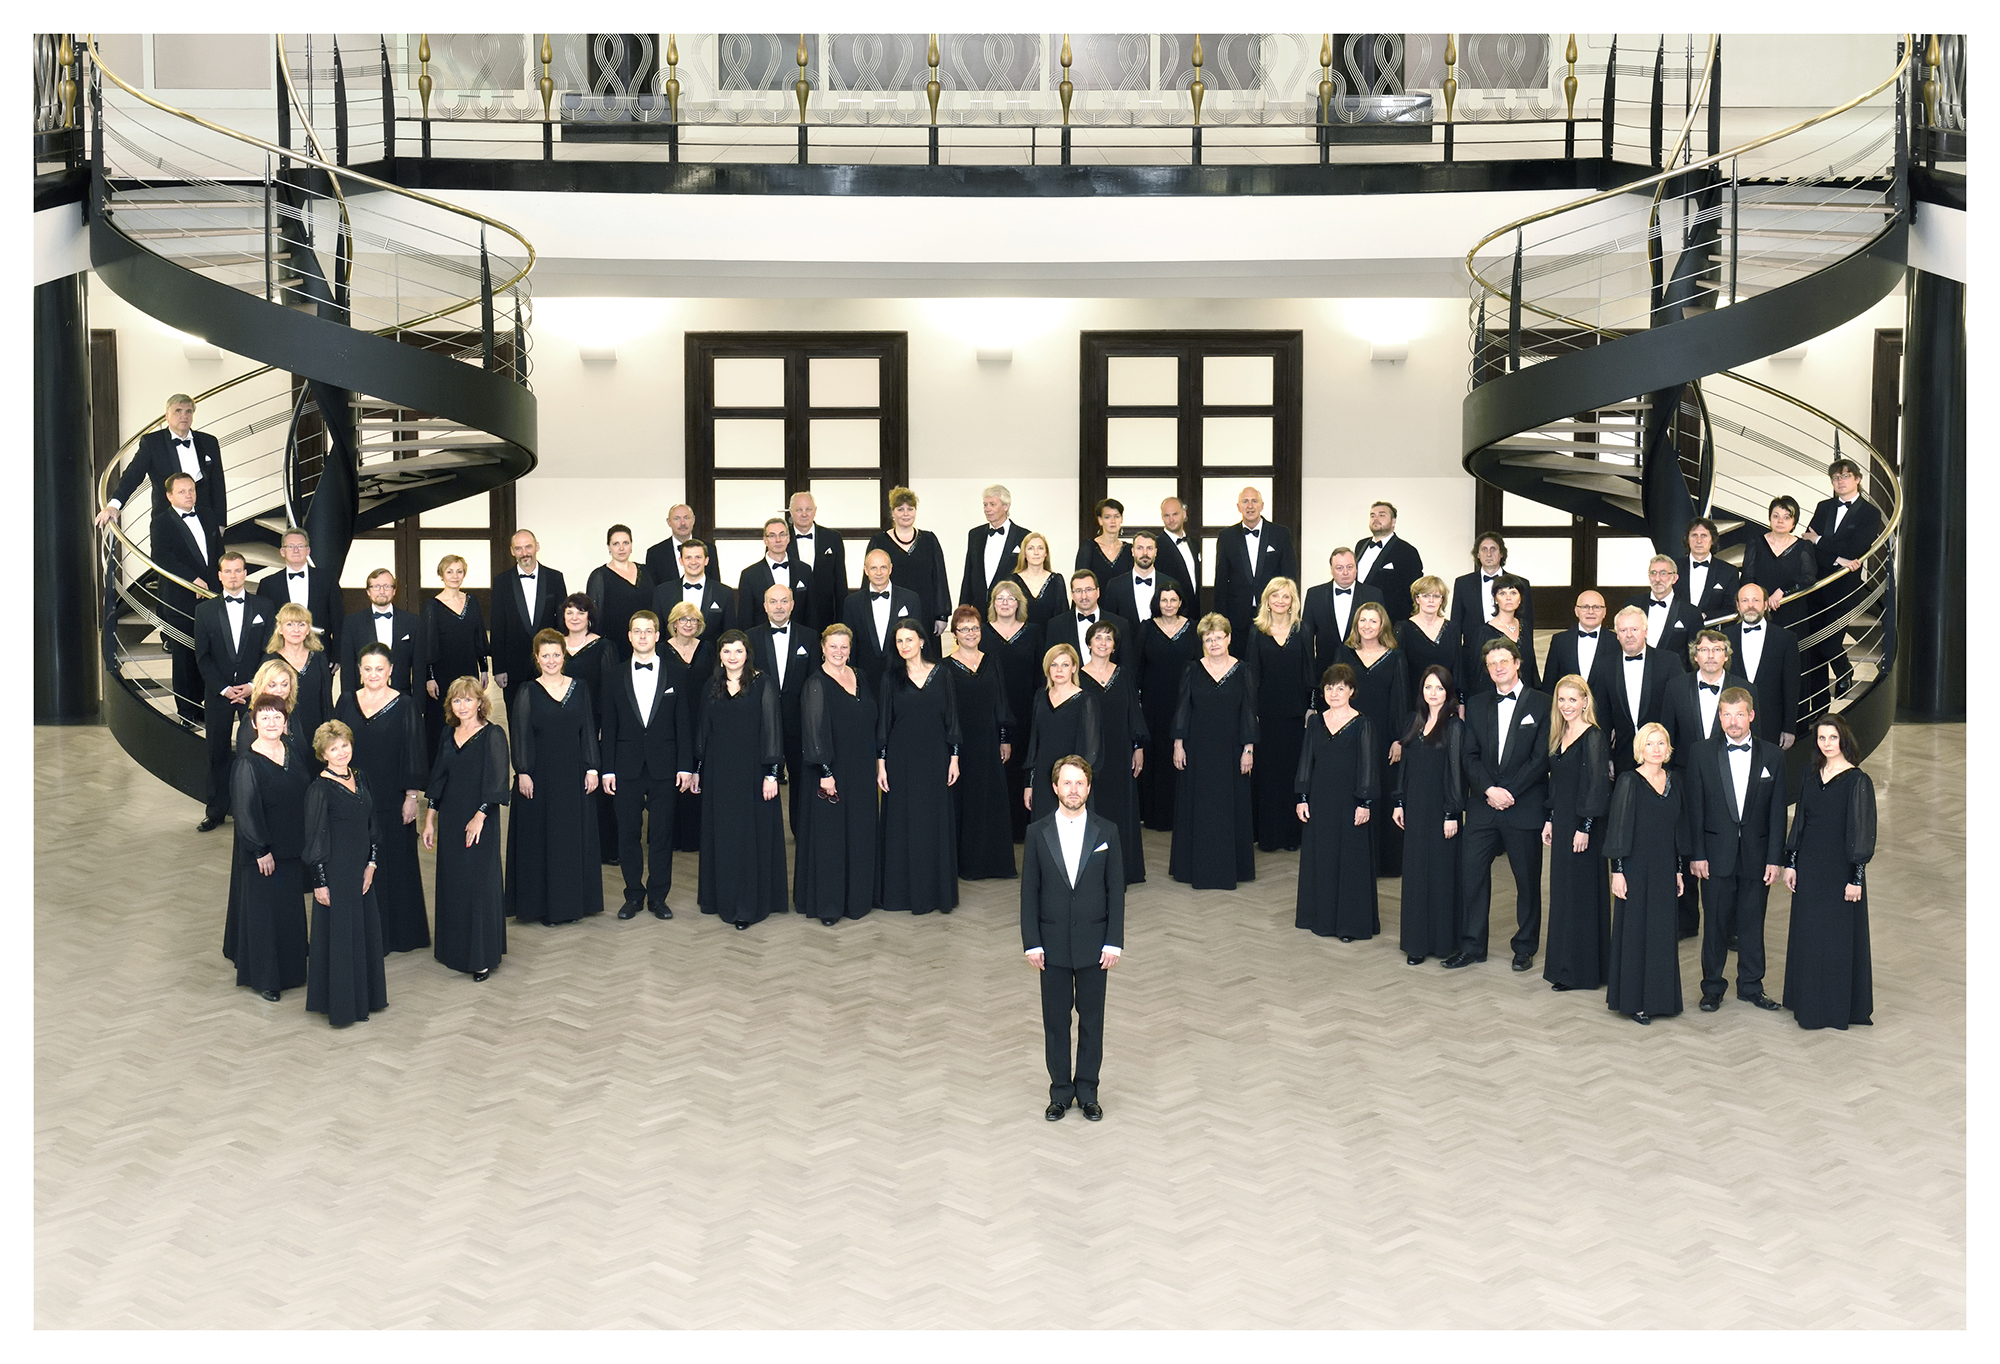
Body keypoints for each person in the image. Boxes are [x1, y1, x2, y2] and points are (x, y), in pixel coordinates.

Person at [1022, 756, 1125, 1123]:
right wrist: (1032, 942)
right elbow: (1029, 892)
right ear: (1055, 788)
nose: (1073, 790)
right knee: (1055, 1022)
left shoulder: (1107, 831)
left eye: (1079, 783)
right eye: (1067, 783)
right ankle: (1060, 1094)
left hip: (1096, 945)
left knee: (1092, 1021)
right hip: (1050, 945)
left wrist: (1113, 942)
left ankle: (1089, 1092)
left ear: (1088, 787)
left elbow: (1116, 890)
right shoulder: (1037, 833)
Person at [1444, 638, 1554, 972]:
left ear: (1518, 662)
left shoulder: (1542, 703)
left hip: (1524, 807)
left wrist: (1509, 791)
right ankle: (1472, 945)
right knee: (1472, 876)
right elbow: (1469, 755)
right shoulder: (1477, 704)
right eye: (1492, 664)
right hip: (1483, 805)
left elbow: (1541, 758)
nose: (1498, 668)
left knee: (1527, 882)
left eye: (1504, 661)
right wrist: (1490, 789)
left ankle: (1525, 946)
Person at [1686, 689, 1789, 1013]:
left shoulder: (1773, 756)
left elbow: (1778, 813)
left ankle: (1751, 986)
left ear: (1751, 716)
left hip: (1758, 856)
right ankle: (1712, 987)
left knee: (1753, 924)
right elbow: (1695, 809)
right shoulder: (1701, 753)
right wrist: (1697, 854)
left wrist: (1775, 858)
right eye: (1727, 715)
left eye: (1739, 714)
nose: (1733, 722)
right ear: (1720, 717)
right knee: (1714, 925)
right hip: (1715, 854)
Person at [332, 643, 429, 954]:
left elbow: (414, 752)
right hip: (352, 797)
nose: (373, 674)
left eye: (379, 669)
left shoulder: (406, 705)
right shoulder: (346, 702)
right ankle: (362, 933)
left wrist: (411, 796)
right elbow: (333, 747)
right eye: (367, 669)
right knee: (356, 861)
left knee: (395, 863)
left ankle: (397, 935)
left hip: (392, 798)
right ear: (359, 671)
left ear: (391, 671)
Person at [1782, 715, 1877, 1030]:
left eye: (1832, 737)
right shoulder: (1810, 774)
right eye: (1821, 738)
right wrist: (1791, 862)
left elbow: (1862, 831)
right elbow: (1800, 820)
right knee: (1809, 933)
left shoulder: (1857, 780)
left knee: (1836, 937)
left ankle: (1834, 1009)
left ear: (1843, 739)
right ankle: (1807, 1002)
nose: (1827, 744)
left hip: (1840, 869)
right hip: (1809, 866)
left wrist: (1856, 877)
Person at [601, 610, 696, 920]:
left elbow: (684, 722)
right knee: (627, 834)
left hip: (665, 767)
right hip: (625, 766)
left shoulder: (677, 673)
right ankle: (633, 895)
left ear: (657, 636)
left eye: (648, 631)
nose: (642, 636)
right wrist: (607, 769)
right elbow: (609, 726)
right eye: (637, 631)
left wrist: (685, 766)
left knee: (662, 835)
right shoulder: (613, 675)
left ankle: (658, 897)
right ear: (629, 637)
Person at [507, 629, 604, 926]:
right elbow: (520, 734)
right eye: (545, 655)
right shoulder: (527, 691)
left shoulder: (580, 687)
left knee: (570, 839)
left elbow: (587, 728)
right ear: (537, 658)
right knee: (542, 840)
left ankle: (571, 904)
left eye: (556, 655)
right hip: (539, 776)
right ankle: (543, 907)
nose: (551, 660)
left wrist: (592, 767)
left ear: (564, 656)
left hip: (573, 775)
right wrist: (523, 771)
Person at [695, 630, 788, 929]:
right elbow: (703, 730)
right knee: (723, 835)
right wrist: (697, 769)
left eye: (738, 651)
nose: (732, 656)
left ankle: (747, 905)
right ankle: (721, 898)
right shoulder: (711, 685)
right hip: (719, 772)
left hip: (753, 771)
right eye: (727, 651)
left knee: (749, 836)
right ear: (720, 656)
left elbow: (772, 730)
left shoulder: (763, 683)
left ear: (747, 653)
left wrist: (772, 774)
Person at [423, 676, 511, 982]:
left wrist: (480, 816)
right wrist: (429, 819)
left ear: (480, 702)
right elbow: (438, 778)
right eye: (457, 700)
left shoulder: (493, 734)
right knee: (454, 882)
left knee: (478, 885)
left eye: (468, 699)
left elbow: (498, 781)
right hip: (451, 818)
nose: (463, 706)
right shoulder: (448, 733)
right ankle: (454, 950)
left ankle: (481, 957)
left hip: (480, 820)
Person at [1602, 723, 1691, 1025]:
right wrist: (1618, 872)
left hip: (1665, 867)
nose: (1656, 749)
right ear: (1640, 748)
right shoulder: (1629, 781)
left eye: (1661, 743)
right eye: (1650, 743)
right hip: (1635, 867)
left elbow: (1677, 830)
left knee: (1662, 933)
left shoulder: (1674, 781)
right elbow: (1619, 828)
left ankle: (1661, 999)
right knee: (1637, 932)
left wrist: (1678, 871)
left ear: (1668, 749)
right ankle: (1635, 1001)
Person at [302, 720, 388, 1028]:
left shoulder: (361, 777)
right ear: (323, 754)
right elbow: (314, 839)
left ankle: (367, 998)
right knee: (340, 937)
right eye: (333, 749)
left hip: (361, 869)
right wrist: (320, 883)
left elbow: (372, 824)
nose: (341, 752)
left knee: (363, 931)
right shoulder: (319, 789)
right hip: (335, 872)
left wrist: (372, 864)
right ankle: (342, 1007)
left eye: (344, 746)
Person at [876, 620, 962, 915]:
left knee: (933, 822)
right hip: (900, 760)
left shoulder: (942, 674)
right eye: (899, 641)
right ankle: (902, 893)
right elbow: (883, 724)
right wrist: (881, 765)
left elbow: (952, 719)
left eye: (909, 640)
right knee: (902, 822)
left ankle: (936, 893)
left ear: (922, 641)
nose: (904, 646)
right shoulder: (890, 678)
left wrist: (954, 758)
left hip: (936, 758)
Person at [228, 693, 309, 1004]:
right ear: (254, 723)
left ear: (286, 722)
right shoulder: (247, 762)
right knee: (265, 916)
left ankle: (292, 973)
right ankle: (267, 979)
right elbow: (244, 811)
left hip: (292, 850)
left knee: (289, 913)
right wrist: (261, 850)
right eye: (264, 718)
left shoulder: (292, 751)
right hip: (264, 855)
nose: (271, 723)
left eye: (277, 717)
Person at [796, 624, 879, 925]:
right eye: (833, 646)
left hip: (862, 770)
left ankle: (858, 898)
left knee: (859, 833)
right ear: (822, 648)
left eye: (844, 646)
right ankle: (829, 905)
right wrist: (826, 772)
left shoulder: (860, 676)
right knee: (831, 838)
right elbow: (814, 733)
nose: (839, 652)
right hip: (830, 772)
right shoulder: (815, 683)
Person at [1169, 614, 1258, 890]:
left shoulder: (1243, 670)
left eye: (1219, 637)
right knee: (1198, 806)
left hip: (1232, 749)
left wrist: (1248, 749)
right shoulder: (1192, 669)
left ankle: (1233, 868)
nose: (1214, 643)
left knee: (1231, 806)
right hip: (1197, 749)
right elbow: (1183, 708)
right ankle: (1193, 867)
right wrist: (1178, 744)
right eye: (1208, 639)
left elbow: (1248, 711)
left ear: (1229, 638)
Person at [1294, 664, 1379, 941]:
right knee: (1323, 857)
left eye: (1340, 688)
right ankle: (1321, 918)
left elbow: (1368, 766)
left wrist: (1364, 802)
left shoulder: (1363, 724)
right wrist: (1302, 797)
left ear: (1351, 691)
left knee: (1349, 861)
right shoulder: (1315, 722)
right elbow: (1306, 761)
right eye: (1329, 688)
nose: (1334, 693)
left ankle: (1349, 925)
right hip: (1320, 800)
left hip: (1350, 802)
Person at [1541, 676, 1612, 992]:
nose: (1566, 705)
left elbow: (1597, 785)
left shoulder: (1593, 736)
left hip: (1584, 827)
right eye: (1561, 699)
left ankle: (1580, 971)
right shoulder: (1559, 734)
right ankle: (1563, 965)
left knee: (1580, 896)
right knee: (1563, 894)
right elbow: (1556, 784)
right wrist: (1550, 820)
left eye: (1573, 699)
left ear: (1585, 702)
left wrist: (1585, 827)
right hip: (1563, 824)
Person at [194, 553, 274, 831]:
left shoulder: (264, 606)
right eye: (227, 571)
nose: (233, 576)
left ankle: (257, 811)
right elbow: (202, 657)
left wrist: (253, 685)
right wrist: (225, 689)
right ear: (219, 576)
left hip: (255, 692)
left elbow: (270, 650)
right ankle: (215, 811)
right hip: (219, 694)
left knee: (258, 751)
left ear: (245, 573)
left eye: (238, 570)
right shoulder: (204, 611)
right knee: (216, 752)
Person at [1393, 665, 1463, 965]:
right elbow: (1405, 766)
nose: (1433, 693)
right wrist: (1399, 802)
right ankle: (1416, 943)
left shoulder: (1454, 726)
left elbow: (1455, 773)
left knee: (1441, 875)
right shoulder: (1414, 720)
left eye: (1439, 688)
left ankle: (1443, 942)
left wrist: (1452, 812)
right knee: (1416, 874)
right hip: (1415, 808)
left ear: (1448, 693)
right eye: (1428, 687)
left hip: (1441, 810)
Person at [1800, 459, 1886, 703]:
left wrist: (1820, 541)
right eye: (1836, 478)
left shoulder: (1870, 513)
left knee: (1830, 644)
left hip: (1844, 589)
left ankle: (1844, 670)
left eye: (1845, 476)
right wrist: (1837, 557)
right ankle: (1818, 705)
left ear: (1857, 479)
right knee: (1813, 647)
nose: (1840, 481)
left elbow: (1856, 549)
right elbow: (1807, 543)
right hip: (1816, 585)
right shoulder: (1824, 506)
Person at [98, 393, 227, 552]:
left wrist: (220, 521)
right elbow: (133, 475)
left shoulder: (209, 442)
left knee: (211, 564)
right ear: (167, 415)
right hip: (167, 518)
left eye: (188, 411)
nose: (184, 416)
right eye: (178, 411)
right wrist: (114, 505)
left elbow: (218, 483)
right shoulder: (152, 442)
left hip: (205, 518)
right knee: (167, 563)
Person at [946, 607, 1018, 881]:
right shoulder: (945, 667)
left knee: (990, 799)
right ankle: (966, 864)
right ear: (954, 634)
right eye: (964, 629)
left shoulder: (992, 661)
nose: (970, 633)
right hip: (961, 746)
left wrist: (1004, 738)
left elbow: (1001, 702)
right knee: (965, 800)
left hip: (989, 742)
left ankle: (994, 863)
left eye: (975, 628)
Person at [1341, 601, 1410, 877]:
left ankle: (1384, 862)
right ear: (1356, 624)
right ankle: (1354, 861)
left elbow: (1400, 699)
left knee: (1382, 792)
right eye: (1363, 620)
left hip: (1384, 737)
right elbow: (1334, 693)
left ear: (1382, 625)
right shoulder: (1344, 653)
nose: (1367, 626)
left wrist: (1399, 739)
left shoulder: (1395, 657)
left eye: (1373, 621)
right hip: (1351, 734)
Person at [1079, 619, 1147, 885]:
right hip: (1089, 755)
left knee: (1121, 809)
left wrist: (1137, 748)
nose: (1103, 643)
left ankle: (1123, 869)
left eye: (1108, 638)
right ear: (1089, 643)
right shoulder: (1077, 676)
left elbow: (1134, 714)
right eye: (1098, 637)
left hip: (1120, 752)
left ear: (1115, 646)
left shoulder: (1124, 675)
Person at [749, 582, 820, 838]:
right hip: (762, 722)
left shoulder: (809, 636)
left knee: (801, 778)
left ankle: (802, 832)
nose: (779, 607)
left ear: (792, 605)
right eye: (773, 601)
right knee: (761, 777)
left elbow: (814, 682)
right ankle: (763, 833)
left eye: (783, 601)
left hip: (798, 721)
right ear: (765, 606)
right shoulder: (750, 637)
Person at [149, 471, 220, 722]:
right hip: (181, 599)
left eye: (191, 490)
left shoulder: (208, 515)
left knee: (209, 655)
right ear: (169, 496)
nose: (189, 495)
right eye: (182, 491)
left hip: (211, 596)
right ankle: (187, 712)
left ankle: (205, 707)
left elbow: (217, 553)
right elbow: (162, 557)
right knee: (184, 658)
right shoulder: (161, 522)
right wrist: (191, 580)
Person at [1250, 577, 1311, 854]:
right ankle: (1269, 836)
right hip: (1266, 714)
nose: (1280, 601)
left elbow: (1309, 672)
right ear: (1267, 600)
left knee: (1292, 773)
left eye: (1286, 596)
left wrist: (1311, 707)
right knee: (1268, 775)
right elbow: (1252, 676)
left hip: (1296, 713)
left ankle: (1291, 835)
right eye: (1275, 596)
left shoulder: (1302, 630)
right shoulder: (1257, 631)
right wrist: (1252, 712)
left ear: (1292, 601)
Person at [558, 593, 619, 864]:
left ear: (589, 617)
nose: (575, 617)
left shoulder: (604, 647)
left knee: (598, 787)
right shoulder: (555, 646)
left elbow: (610, 689)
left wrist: (606, 725)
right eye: (569, 612)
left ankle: (604, 848)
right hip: (562, 724)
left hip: (595, 723)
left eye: (580, 612)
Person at [982, 579, 1045, 843]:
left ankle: (1022, 828)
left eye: (1011, 598)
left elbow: (1041, 675)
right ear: (993, 603)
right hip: (992, 712)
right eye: (1000, 598)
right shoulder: (982, 633)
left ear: (1019, 603)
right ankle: (998, 828)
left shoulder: (1034, 632)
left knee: (1023, 766)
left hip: (1026, 711)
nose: (1005, 603)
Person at [1136, 582, 1198, 833]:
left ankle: (1181, 815)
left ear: (1181, 602)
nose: (1169, 605)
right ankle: (1155, 816)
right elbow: (1137, 667)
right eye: (1164, 600)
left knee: (1182, 756)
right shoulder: (1146, 628)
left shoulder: (1193, 628)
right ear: (1157, 603)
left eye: (1173, 600)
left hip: (1185, 703)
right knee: (1157, 757)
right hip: (1153, 704)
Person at [1022, 643, 1102, 826]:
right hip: (1043, 777)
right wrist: (1030, 784)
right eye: (1054, 665)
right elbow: (1034, 743)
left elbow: (1092, 750)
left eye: (1065, 665)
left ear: (1074, 668)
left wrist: (1076, 784)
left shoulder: (1086, 700)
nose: (1059, 670)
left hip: (1071, 780)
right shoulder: (1040, 697)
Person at [421, 553, 490, 763]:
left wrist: (484, 669)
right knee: (442, 721)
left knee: (469, 717)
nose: (455, 576)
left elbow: (479, 635)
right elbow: (428, 644)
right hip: (442, 673)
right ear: (441, 574)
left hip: (468, 669)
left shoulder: (472, 601)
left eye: (459, 571)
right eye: (450, 571)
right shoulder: (432, 605)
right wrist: (430, 677)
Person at [1213, 486, 1298, 655]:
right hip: (1237, 616)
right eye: (1245, 501)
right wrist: (1220, 618)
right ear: (1238, 507)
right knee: (1239, 661)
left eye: (1254, 501)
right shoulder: (1226, 536)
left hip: (1273, 614)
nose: (1250, 506)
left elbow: (1289, 575)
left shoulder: (1280, 534)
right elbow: (1221, 580)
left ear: (1262, 505)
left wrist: (1289, 613)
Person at [490, 529, 569, 708]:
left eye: (528, 547)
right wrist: (499, 668)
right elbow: (497, 626)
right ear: (512, 551)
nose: (524, 553)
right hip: (513, 669)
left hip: (549, 665)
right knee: (516, 717)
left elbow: (562, 623)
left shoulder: (555, 578)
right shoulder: (501, 582)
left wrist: (563, 661)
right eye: (518, 548)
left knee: (549, 715)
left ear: (537, 547)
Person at [660, 600, 715, 853]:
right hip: (669, 720)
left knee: (698, 771)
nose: (688, 624)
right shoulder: (660, 650)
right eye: (683, 619)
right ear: (674, 623)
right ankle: (672, 835)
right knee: (673, 773)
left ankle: (696, 836)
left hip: (701, 718)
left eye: (693, 620)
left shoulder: (708, 649)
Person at [868, 486, 952, 640]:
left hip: (925, 612)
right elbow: (869, 577)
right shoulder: (879, 542)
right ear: (892, 513)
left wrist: (942, 615)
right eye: (900, 509)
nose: (906, 514)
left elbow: (939, 578)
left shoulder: (929, 540)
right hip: (890, 611)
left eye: (910, 509)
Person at [1723, 584, 1801, 750]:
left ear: (1765, 604)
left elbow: (1791, 687)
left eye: (1756, 600)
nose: (1750, 605)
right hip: (1732, 725)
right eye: (1745, 601)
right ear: (1738, 605)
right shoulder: (1724, 638)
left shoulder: (1786, 639)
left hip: (1771, 725)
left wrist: (1789, 728)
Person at [1662, 630, 1760, 761]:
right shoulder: (1675, 687)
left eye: (1717, 649)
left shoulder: (1746, 689)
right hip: (1685, 769)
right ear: (1695, 656)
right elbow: (1667, 735)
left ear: (1726, 656)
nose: (1710, 655)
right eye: (1704, 650)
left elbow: (1754, 738)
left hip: (1731, 768)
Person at [1603, 606, 1676, 772]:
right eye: (1623, 630)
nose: (1629, 635)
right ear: (1617, 635)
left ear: (1646, 631)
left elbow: (1678, 712)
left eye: (1634, 629)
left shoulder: (1669, 662)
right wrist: (1606, 756)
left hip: (1663, 757)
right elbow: (1603, 717)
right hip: (1622, 758)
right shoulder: (1604, 666)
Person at [261, 603, 333, 761]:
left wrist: (329, 734)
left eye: (301, 624)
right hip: (284, 732)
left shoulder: (319, 658)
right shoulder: (270, 660)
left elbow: (326, 700)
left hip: (316, 731)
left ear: (308, 630)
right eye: (290, 624)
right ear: (280, 628)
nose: (296, 630)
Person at [842, 548, 924, 686]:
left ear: (890, 568)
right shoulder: (852, 602)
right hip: (864, 677)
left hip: (902, 675)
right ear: (866, 570)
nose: (879, 573)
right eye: (873, 568)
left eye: (883, 567)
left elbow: (916, 639)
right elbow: (850, 642)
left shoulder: (910, 599)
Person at [1302, 547, 1386, 682]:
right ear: (1331, 569)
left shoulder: (1373, 594)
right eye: (1339, 568)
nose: (1345, 572)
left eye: (1350, 567)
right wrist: (1310, 675)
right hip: (1324, 672)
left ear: (1356, 568)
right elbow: (1307, 638)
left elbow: (1381, 634)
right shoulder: (1314, 595)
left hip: (1362, 671)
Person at [255, 526, 340, 656]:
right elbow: (265, 626)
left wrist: (337, 655)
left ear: (308, 551)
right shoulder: (268, 584)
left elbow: (338, 619)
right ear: (282, 552)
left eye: (300, 546)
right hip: (281, 653)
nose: (295, 550)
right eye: (290, 546)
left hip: (321, 652)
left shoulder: (327, 579)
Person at [1738, 495, 1819, 631]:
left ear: (1794, 522)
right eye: (1776, 516)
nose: (1780, 521)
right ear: (1770, 519)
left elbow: (1809, 578)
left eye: (1787, 517)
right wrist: (1760, 599)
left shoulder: (1804, 546)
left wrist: (1782, 591)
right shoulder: (1756, 543)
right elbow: (1747, 577)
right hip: (1761, 608)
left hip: (1792, 610)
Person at [340, 568, 423, 699]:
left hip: (402, 698)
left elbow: (419, 669)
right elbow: (347, 669)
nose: (382, 591)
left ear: (394, 591)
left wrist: (418, 705)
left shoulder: (412, 622)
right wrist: (349, 702)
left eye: (387, 586)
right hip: (364, 698)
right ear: (368, 591)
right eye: (376, 586)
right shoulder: (352, 623)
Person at [1450, 531, 1536, 649]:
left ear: (1502, 553)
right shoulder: (1463, 584)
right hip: (1473, 651)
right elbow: (1456, 623)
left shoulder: (1521, 584)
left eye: (1493, 549)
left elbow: (1527, 624)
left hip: (1510, 650)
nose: (1489, 554)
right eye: (1484, 549)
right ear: (1477, 554)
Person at [586, 523, 656, 658]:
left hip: (646, 642)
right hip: (615, 647)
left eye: (625, 543)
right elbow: (594, 617)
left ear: (631, 545)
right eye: (616, 544)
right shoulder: (599, 576)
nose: (621, 548)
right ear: (609, 547)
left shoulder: (646, 571)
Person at [1624, 556, 1705, 673]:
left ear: (1674, 578)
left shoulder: (1691, 612)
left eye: (1663, 573)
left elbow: (1694, 656)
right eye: (1653, 573)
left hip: (1674, 678)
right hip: (1634, 673)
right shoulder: (1632, 604)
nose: (1657, 579)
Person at [1464, 574, 1539, 698]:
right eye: (1502, 593)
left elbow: (1531, 667)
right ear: (1495, 599)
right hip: (1494, 698)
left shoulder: (1524, 626)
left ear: (1520, 598)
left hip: (1525, 696)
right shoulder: (1483, 633)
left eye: (1513, 593)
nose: (1508, 598)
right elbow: (1476, 676)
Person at [652, 538, 735, 650]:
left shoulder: (724, 593)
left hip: (711, 658)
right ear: (681, 561)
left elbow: (729, 634)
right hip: (671, 658)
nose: (693, 562)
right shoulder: (662, 592)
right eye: (688, 558)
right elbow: (658, 633)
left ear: (706, 560)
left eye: (698, 557)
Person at [960, 483, 1030, 610]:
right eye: (985, 505)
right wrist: (963, 606)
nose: (987, 509)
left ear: (1006, 506)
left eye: (992, 504)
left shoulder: (1023, 536)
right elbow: (969, 572)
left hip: (1010, 608)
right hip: (979, 608)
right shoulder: (975, 534)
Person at [1399, 575, 1462, 714]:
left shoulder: (1453, 629)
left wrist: (1460, 704)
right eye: (1426, 595)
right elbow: (1399, 674)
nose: (1431, 600)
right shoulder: (1403, 629)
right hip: (1413, 705)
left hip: (1446, 705)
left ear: (1442, 600)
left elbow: (1458, 670)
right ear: (1417, 599)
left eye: (1436, 596)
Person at [785, 491, 848, 631]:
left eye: (808, 509)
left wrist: (841, 620)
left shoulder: (833, 538)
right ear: (791, 512)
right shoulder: (780, 540)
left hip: (826, 616)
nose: (804, 514)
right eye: (799, 510)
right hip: (792, 616)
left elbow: (840, 582)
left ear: (815, 511)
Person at [1355, 501, 1425, 623]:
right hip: (1359, 618)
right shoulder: (1360, 545)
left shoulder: (1407, 551)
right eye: (1372, 515)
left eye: (1382, 515)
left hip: (1390, 621)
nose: (1376, 519)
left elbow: (1414, 591)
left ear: (1393, 521)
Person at [738, 518, 810, 633]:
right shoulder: (749, 575)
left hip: (799, 638)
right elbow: (745, 619)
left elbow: (811, 612)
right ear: (765, 540)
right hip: (760, 639)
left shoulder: (804, 570)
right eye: (772, 536)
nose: (778, 540)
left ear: (788, 538)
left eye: (782, 535)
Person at [1541, 590, 1613, 700]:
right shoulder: (1560, 641)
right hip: (1567, 709)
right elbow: (1549, 684)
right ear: (1576, 611)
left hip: (1604, 709)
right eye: (1585, 607)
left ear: (1604, 612)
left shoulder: (1616, 641)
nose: (1590, 611)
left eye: (1596, 607)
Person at [1103, 531, 1182, 626]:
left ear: (1156, 552)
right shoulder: (1115, 586)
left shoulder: (1171, 584)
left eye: (1149, 548)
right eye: (1140, 548)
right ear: (1132, 551)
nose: (1145, 553)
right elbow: (1109, 623)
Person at [1675, 517, 1740, 624]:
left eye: (1704, 535)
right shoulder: (1673, 567)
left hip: (1712, 629)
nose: (1699, 541)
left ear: (1713, 540)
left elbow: (1731, 609)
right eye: (1694, 535)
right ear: (1687, 540)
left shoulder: (1729, 571)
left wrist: (1706, 616)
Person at [1062, 570, 1133, 666]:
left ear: (1098, 592)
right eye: (1078, 591)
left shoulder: (1120, 624)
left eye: (1088, 590)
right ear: (1072, 595)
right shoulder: (1056, 625)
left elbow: (1126, 666)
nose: (1084, 596)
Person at [1007, 530, 1069, 632]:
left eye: (1040, 548)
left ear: (1046, 553)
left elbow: (1063, 616)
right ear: (1024, 553)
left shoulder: (1056, 580)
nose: (1036, 553)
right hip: (1022, 639)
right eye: (1031, 548)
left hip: (1051, 638)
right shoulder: (1013, 581)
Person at [1157, 496, 1203, 613]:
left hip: (1195, 613)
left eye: (1175, 514)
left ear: (1184, 514)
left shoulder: (1194, 543)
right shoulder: (1157, 546)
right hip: (1170, 613)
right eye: (1167, 516)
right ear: (1162, 517)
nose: (1171, 519)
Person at [1076, 497, 1134, 586]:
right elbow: (1080, 581)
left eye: (1116, 516)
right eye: (1107, 517)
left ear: (1121, 519)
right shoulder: (1088, 547)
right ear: (1100, 520)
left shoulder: (1129, 549)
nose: (1113, 521)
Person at [641, 502, 699, 589]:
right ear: (669, 522)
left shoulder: (709, 549)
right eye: (677, 519)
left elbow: (715, 587)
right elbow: (653, 589)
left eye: (686, 518)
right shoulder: (655, 553)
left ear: (693, 520)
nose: (683, 523)